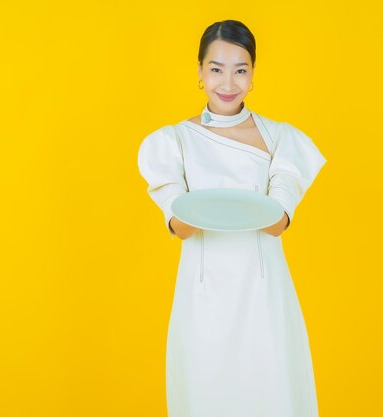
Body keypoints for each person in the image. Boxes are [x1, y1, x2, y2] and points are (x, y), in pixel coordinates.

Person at [137, 19, 327, 417]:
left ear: (253, 75)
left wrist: (214, 203)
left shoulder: (281, 138)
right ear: (200, 72)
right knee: (207, 394)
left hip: (263, 290)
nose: (228, 82)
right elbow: (180, 226)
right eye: (216, 69)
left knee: (271, 392)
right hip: (203, 293)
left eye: (240, 70)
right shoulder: (173, 141)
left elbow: (277, 222)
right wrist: (211, 208)